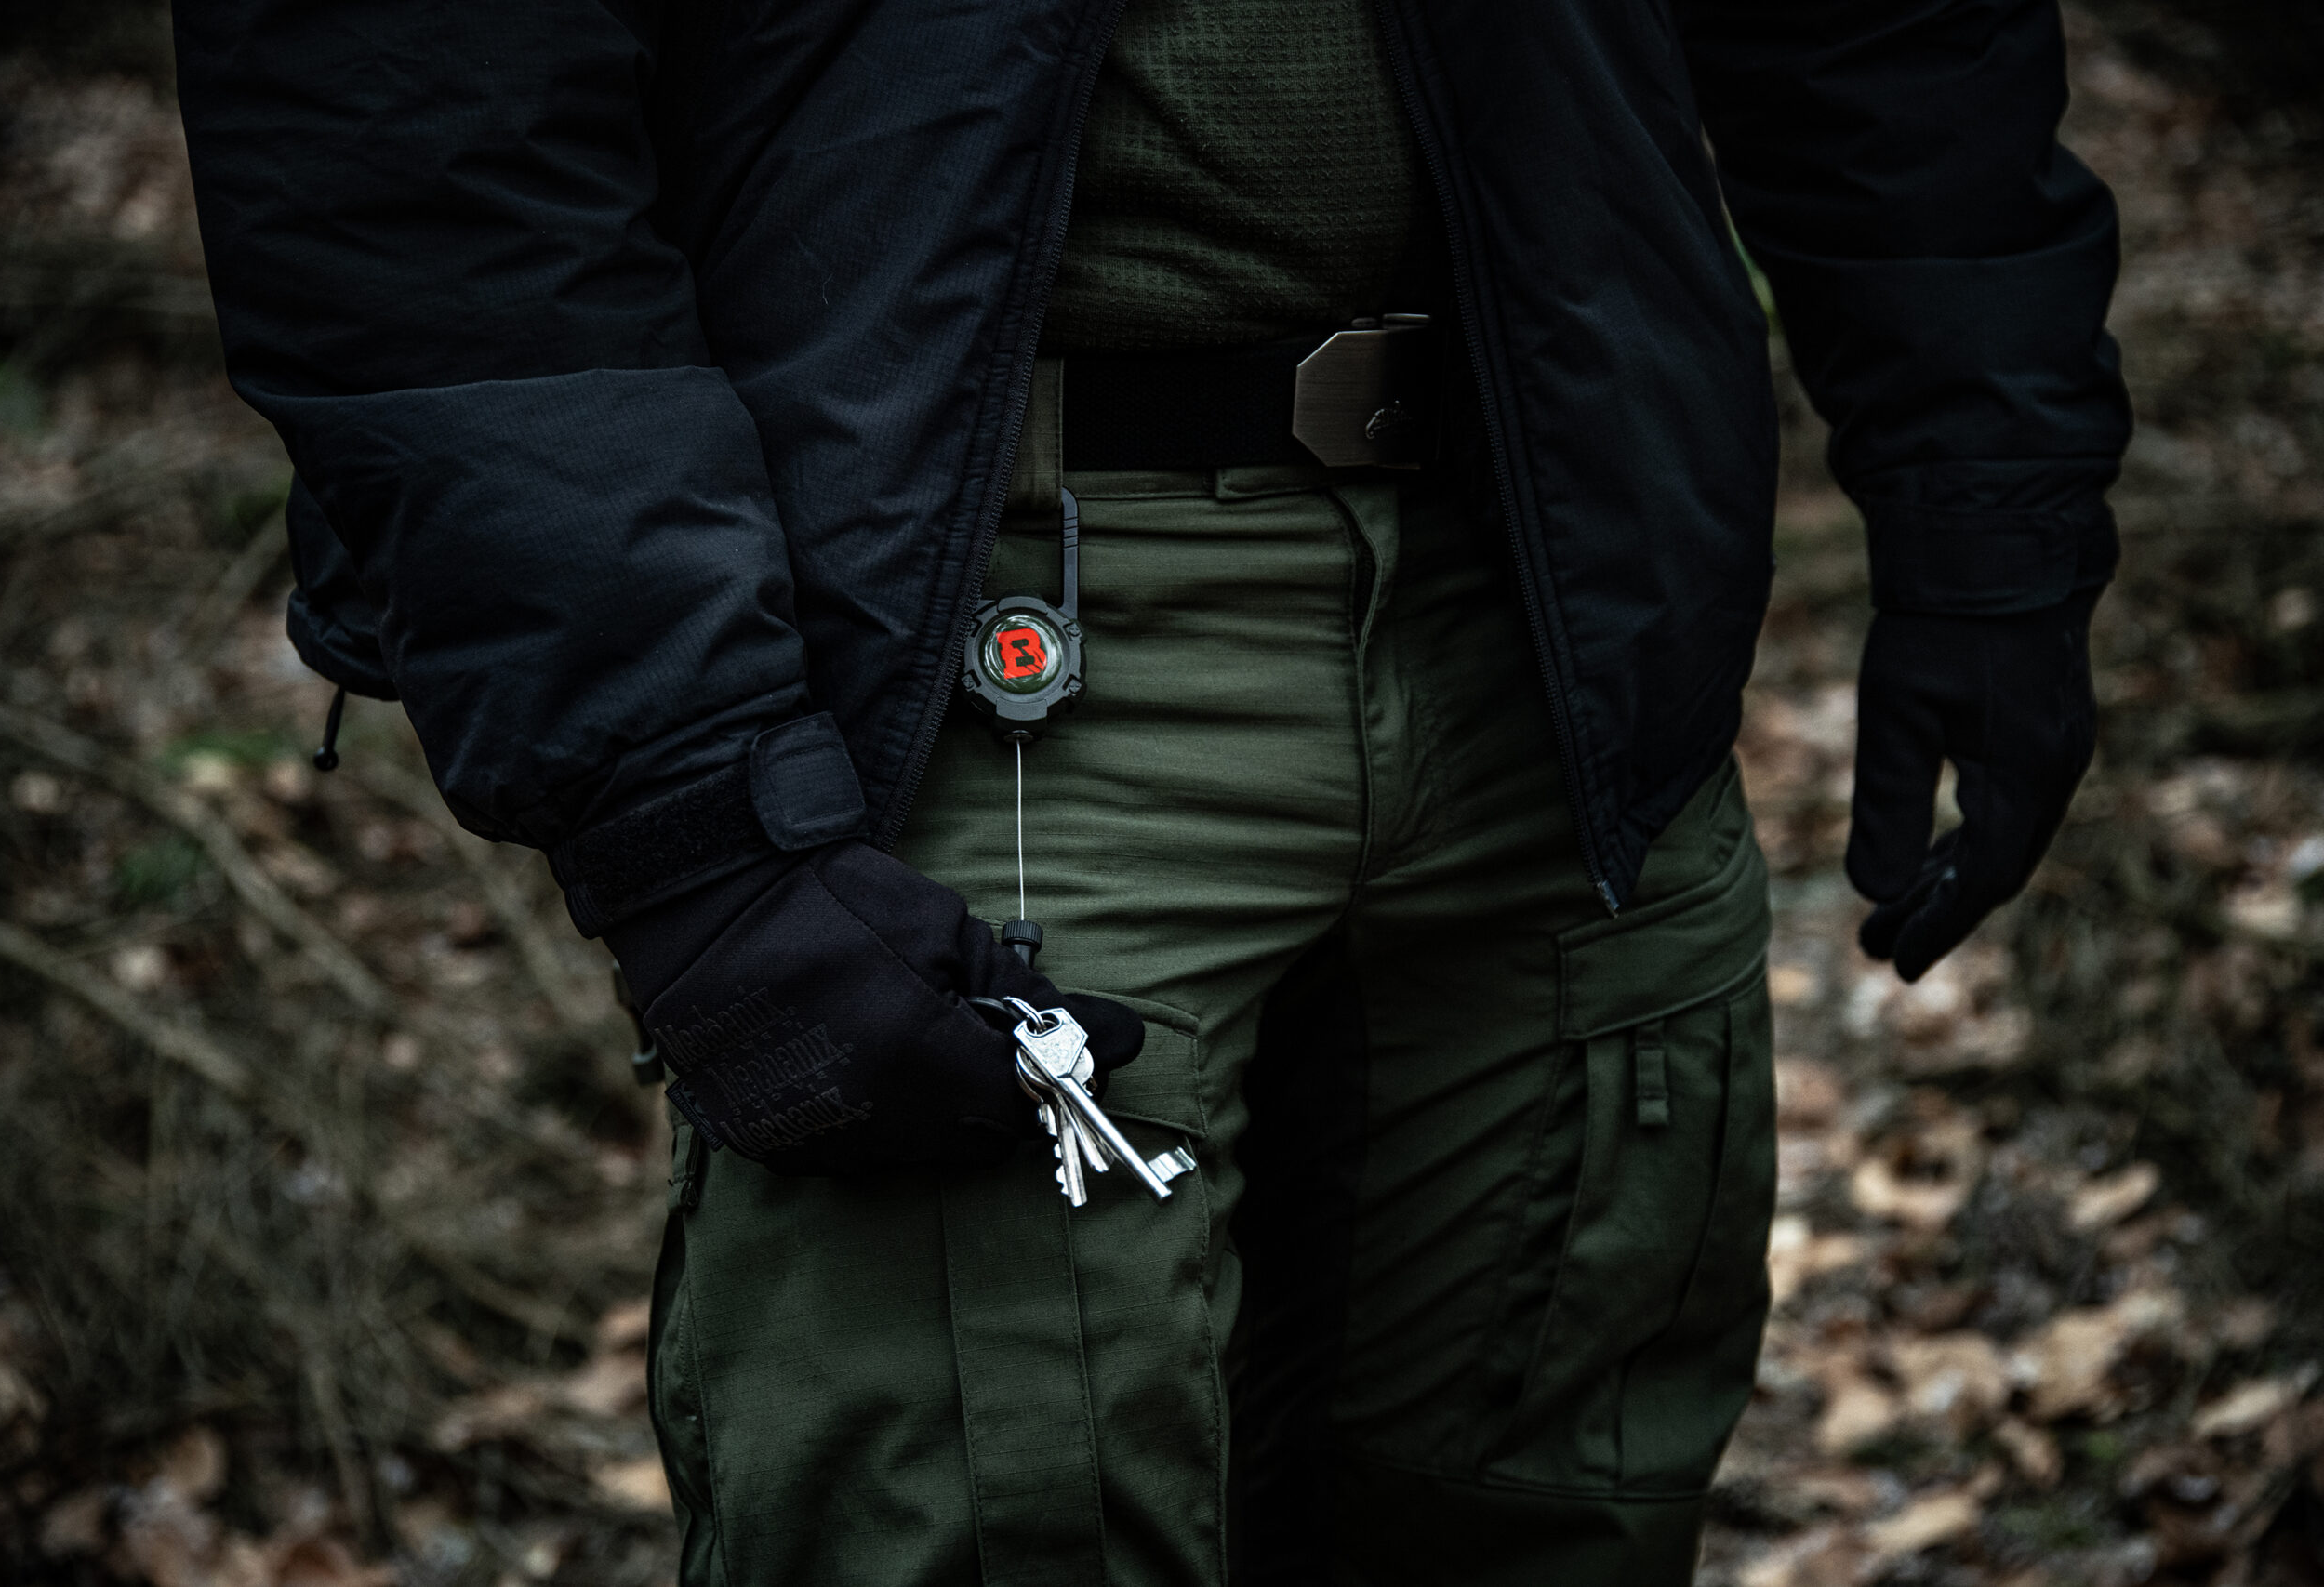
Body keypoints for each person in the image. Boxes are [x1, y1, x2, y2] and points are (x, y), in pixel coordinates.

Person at [172, 0, 2129, 1579]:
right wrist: (682, 806)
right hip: (947, 604)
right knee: (973, 1512)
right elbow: (412, 118)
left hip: (1566, 607)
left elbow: (1882, 36)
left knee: (1553, 1503)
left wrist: (1989, 509)